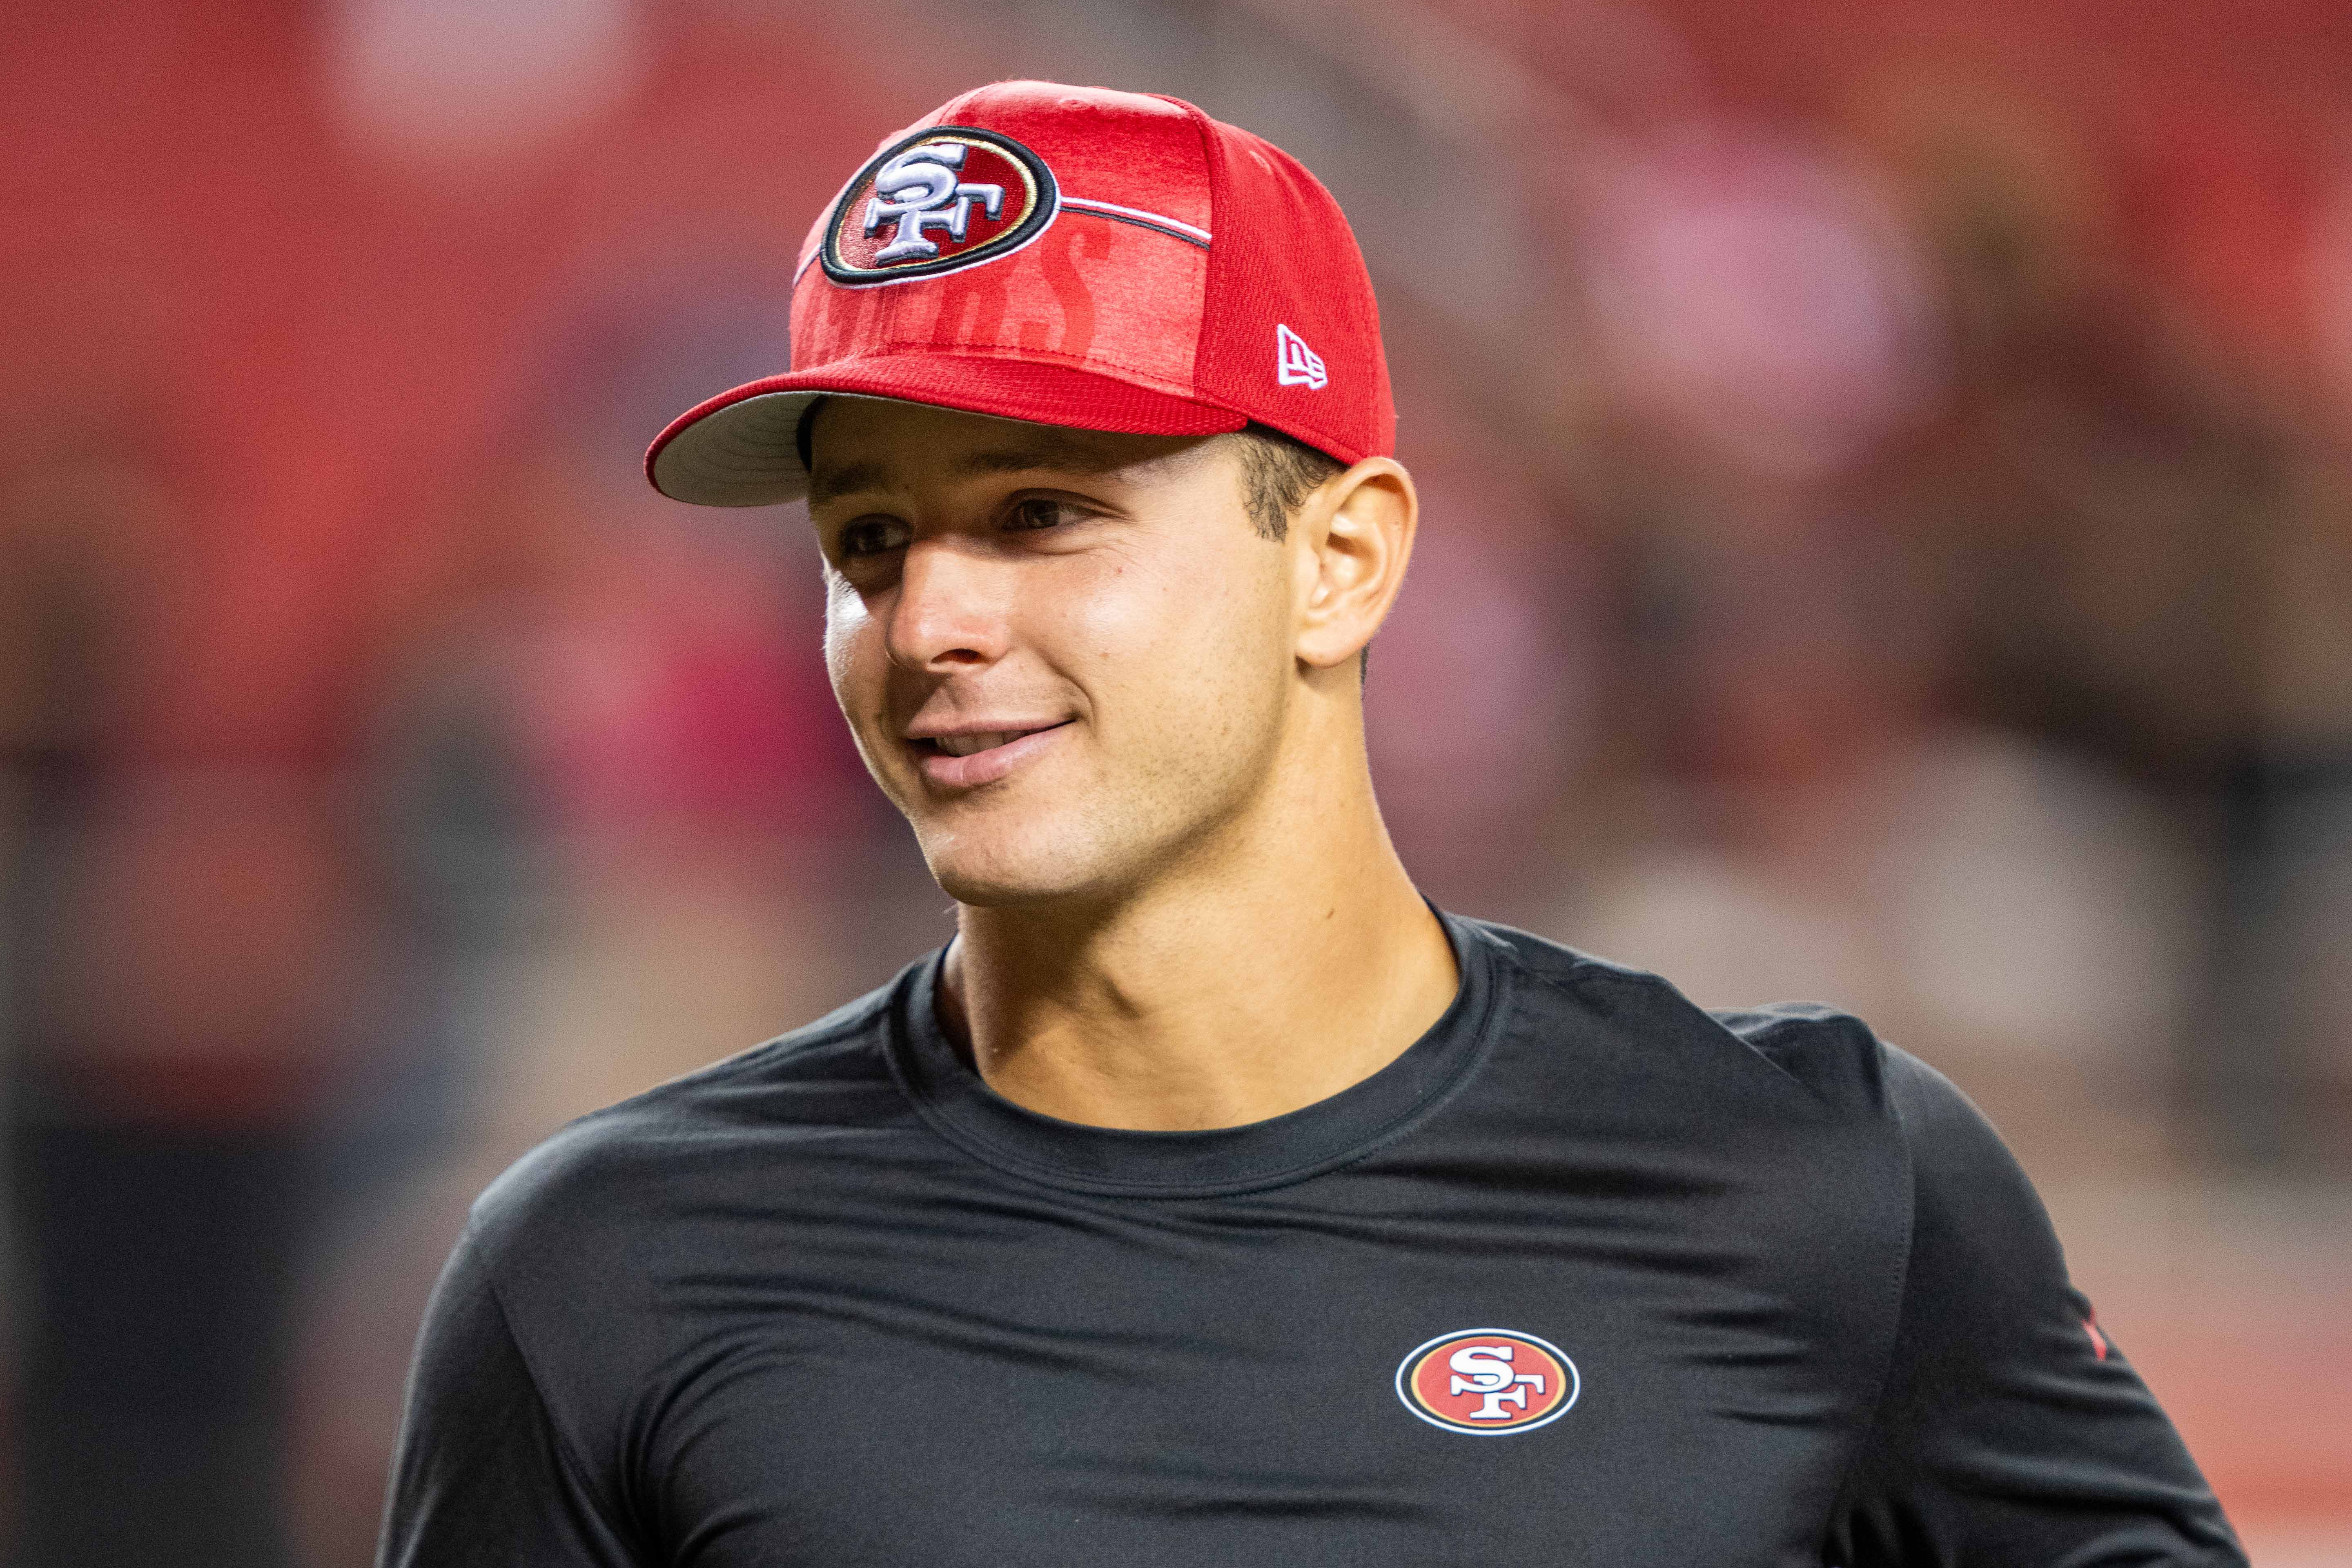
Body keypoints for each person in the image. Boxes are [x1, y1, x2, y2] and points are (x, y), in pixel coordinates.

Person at [377, 81, 2245, 1566]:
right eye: (868, 542)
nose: (929, 619)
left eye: (1041, 514)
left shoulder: (1823, 1189)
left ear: (1340, 563)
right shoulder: (605, 1272)